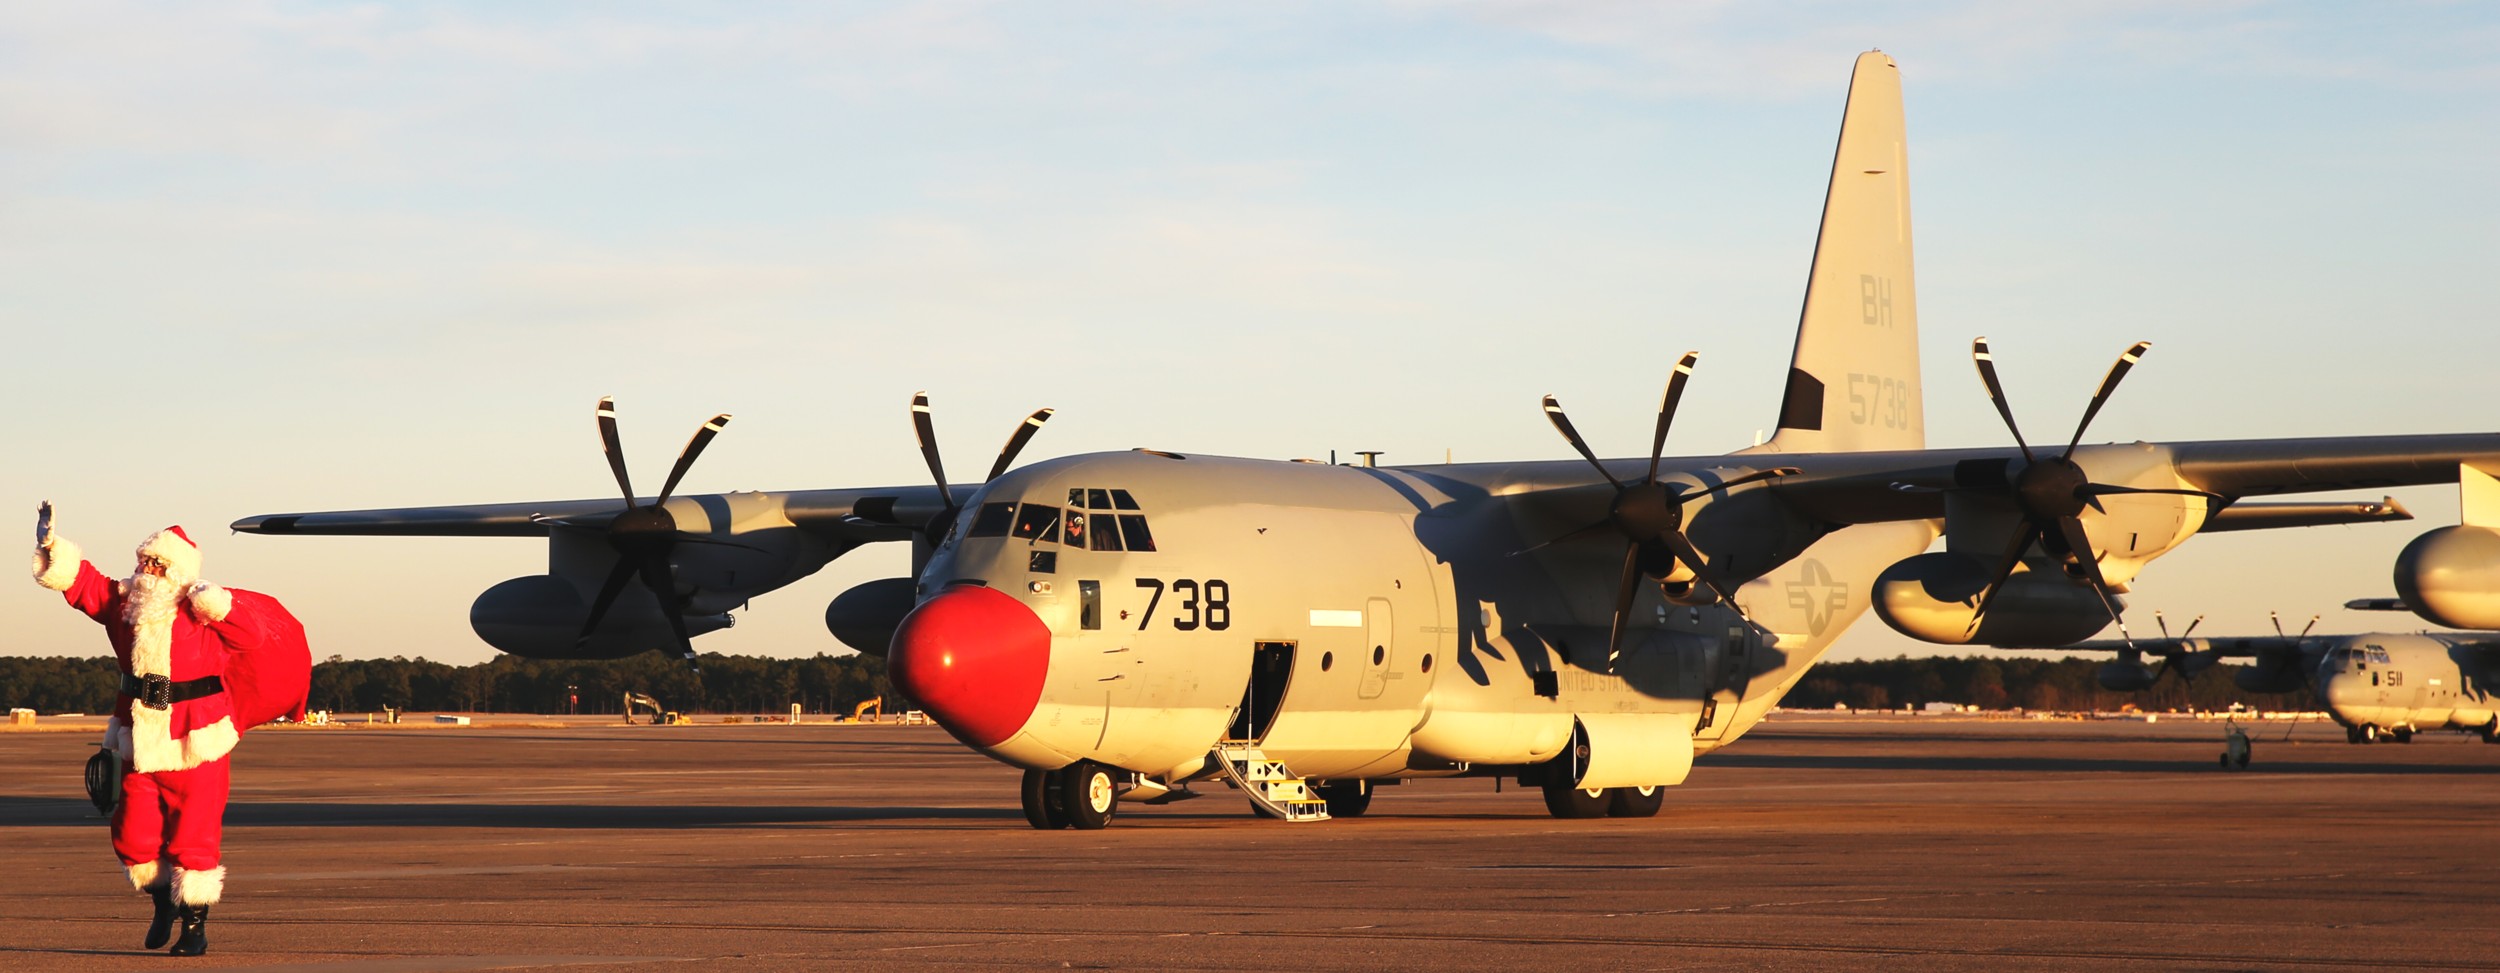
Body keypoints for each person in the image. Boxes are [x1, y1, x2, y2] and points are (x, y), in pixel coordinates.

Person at [34, 505, 263, 956]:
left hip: (196, 742)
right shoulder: (124, 605)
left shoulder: (201, 613)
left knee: (193, 838)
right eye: (144, 560)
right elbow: (83, 585)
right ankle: (162, 902)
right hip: (138, 738)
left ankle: (194, 926)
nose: (146, 569)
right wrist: (51, 547)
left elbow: (251, 637)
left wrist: (218, 606)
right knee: (132, 836)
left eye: (157, 563)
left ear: (177, 571)